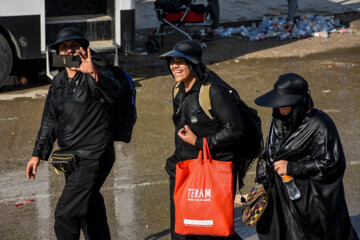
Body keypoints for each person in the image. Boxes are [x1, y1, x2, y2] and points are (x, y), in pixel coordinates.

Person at [26, 27, 131, 240]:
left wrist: (93, 72)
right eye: (64, 48)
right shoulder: (59, 81)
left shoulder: (98, 71)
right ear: (59, 53)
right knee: (88, 208)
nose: (69, 51)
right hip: (70, 157)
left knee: (66, 214)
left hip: (95, 155)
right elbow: (50, 119)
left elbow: (118, 94)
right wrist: (37, 153)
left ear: (84, 49)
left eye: (75, 46)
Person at [159, 39, 249, 240]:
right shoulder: (178, 89)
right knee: (183, 230)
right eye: (172, 61)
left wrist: (200, 143)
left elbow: (235, 130)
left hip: (213, 170)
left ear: (192, 63)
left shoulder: (213, 91)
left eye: (180, 61)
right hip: (185, 169)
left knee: (213, 230)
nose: (175, 66)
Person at [254, 73, 359, 240]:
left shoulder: (319, 123)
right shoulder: (279, 118)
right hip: (280, 197)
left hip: (307, 202)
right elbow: (270, 151)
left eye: (285, 104)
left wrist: (292, 167)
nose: (280, 107)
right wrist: (262, 181)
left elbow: (333, 163)